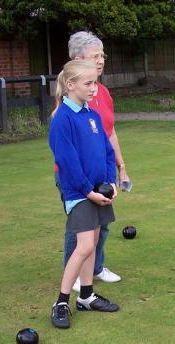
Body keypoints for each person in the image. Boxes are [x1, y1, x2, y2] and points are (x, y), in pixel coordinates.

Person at [56, 31, 132, 291]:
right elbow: (69, 152)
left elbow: (108, 133)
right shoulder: (71, 100)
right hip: (77, 176)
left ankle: (96, 268)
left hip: (101, 172)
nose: (100, 60)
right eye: (94, 56)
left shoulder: (102, 92)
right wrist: (87, 188)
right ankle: (74, 276)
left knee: (101, 226)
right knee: (79, 228)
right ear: (78, 59)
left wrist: (119, 169)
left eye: (102, 55)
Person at [49, 60, 120, 329]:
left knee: (92, 240)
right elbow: (68, 163)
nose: (94, 88)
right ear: (71, 85)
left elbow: (106, 151)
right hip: (79, 194)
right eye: (88, 84)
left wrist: (110, 182)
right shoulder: (62, 120)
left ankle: (87, 296)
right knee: (86, 245)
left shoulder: (91, 115)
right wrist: (88, 192)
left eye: (95, 83)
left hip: (97, 190)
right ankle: (62, 302)